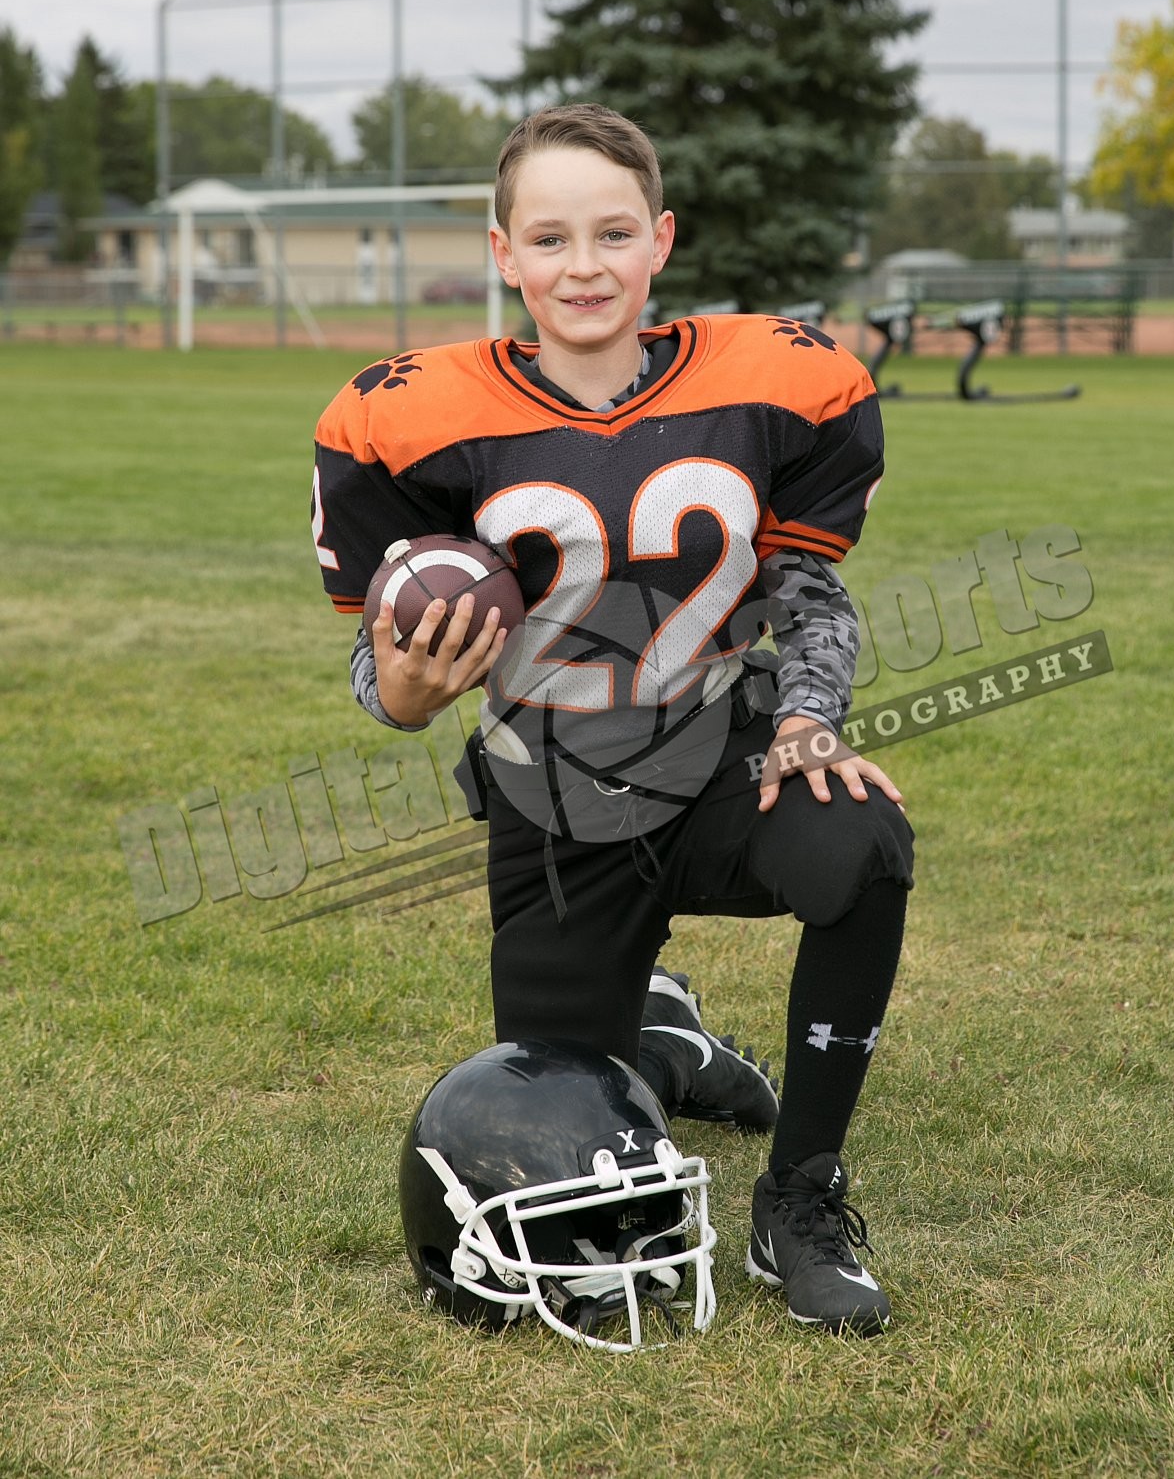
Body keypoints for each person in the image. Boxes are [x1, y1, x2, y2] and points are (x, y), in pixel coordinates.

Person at [311, 103, 914, 1336]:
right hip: (553, 797)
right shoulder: (413, 419)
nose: (582, 266)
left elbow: (808, 591)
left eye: (612, 234)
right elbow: (385, 678)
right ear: (503, 254)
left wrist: (809, 719)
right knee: (561, 1124)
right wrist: (413, 690)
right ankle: (663, 1038)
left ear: (660, 241)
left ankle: (799, 1199)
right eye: (549, 238)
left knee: (860, 842)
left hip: (721, 755)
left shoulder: (769, 383)